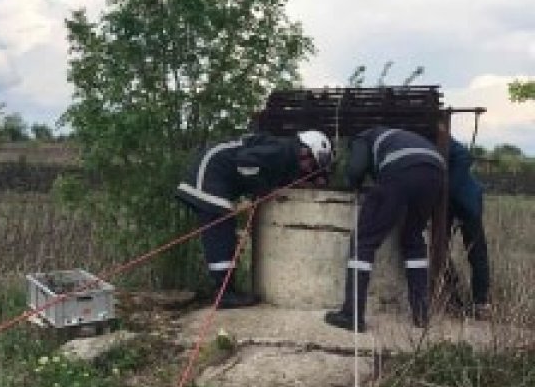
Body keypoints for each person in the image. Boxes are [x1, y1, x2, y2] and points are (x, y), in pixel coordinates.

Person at [176, 130, 333, 308]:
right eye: (311, 164)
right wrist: (264, 190)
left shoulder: (284, 154)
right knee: (220, 234)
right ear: (305, 151)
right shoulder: (280, 151)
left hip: (210, 175)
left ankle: (225, 291)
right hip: (210, 175)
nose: (309, 170)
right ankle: (224, 294)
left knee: (223, 234)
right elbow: (245, 163)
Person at [324, 126, 445, 331]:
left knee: (364, 240)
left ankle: (351, 315)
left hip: (400, 171)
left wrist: (353, 181)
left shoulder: (362, 137)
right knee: (413, 239)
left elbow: (355, 168)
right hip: (435, 173)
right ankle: (421, 314)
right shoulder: (398, 137)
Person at [443, 137, 491, 318]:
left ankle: (481, 303)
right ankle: (452, 298)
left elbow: (465, 156)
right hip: (445, 203)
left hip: (466, 199)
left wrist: (448, 190)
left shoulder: (441, 135)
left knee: (476, 251)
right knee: (440, 249)